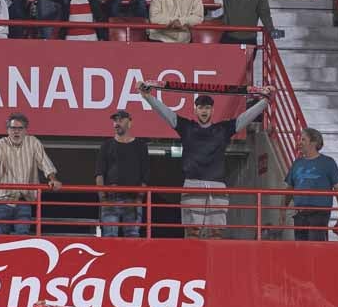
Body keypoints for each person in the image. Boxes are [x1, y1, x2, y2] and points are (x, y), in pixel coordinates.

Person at [141, 85, 270, 239]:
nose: (204, 111)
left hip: (217, 186)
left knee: (217, 232)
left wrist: (265, 101)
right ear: (195, 110)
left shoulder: (223, 129)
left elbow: (245, 118)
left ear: (212, 110)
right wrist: (147, 96)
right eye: (201, 107)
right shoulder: (186, 127)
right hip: (192, 184)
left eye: (207, 108)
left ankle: (215, 263)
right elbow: (166, 113)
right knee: (192, 232)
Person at [0, 113, 62, 234]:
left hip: (23, 200)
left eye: (20, 128)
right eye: (13, 128)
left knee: (23, 238)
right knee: (0, 240)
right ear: (7, 130)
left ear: (26, 130)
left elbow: (44, 162)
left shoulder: (33, 142)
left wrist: (53, 179)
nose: (16, 132)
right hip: (2, 200)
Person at [283, 128, 338, 241]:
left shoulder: (328, 162)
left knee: (316, 248)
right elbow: (289, 189)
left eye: (303, 139)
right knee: (300, 249)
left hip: (319, 213)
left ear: (313, 143)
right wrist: (282, 209)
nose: (299, 142)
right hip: (300, 213)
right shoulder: (296, 163)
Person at [95, 110, 149, 238]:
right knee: (109, 237)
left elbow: (145, 174)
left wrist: (139, 199)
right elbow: (99, 174)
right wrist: (103, 198)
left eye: (120, 120)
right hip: (111, 198)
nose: (117, 123)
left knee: (132, 237)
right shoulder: (106, 145)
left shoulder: (141, 145)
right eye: (115, 121)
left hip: (133, 199)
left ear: (130, 123)